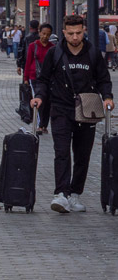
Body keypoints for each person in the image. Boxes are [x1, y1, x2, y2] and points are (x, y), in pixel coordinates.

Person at [31, 14, 115, 212]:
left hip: (87, 109)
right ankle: (61, 194)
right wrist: (39, 96)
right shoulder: (55, 53)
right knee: (61, 151)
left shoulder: (93, 53)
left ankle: (75, 194)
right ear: (63, 33)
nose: (75, 37)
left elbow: (104, 79)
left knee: (82, 154)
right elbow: (43, 79)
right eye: (70, 33)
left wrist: (108, 97)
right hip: (61, 107)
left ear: (84, 31)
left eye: (78, 33)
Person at [21, 23, 56, 134]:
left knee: (48, 102)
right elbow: (28, 62)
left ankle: (44, 125)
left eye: (48, 34)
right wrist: (25, 78)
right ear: (39, 32)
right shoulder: (33, 46)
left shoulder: (53, 48)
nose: (45, 36)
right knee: (39, 100)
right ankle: (40, 125)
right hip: (34, 77)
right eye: (43, 33)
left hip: (48, 78)